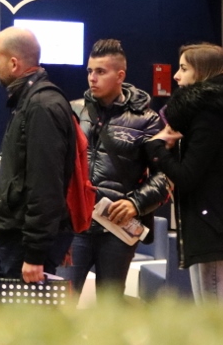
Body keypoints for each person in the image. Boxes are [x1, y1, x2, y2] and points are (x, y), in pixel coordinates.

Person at [0, 27, 77, 298]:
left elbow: (46, 185)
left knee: (17, 325)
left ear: (13, 63)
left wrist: (35, 253)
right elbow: (26, 168)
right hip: (15, 243)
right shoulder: (28, 101)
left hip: (25, 247)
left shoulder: (41, 106)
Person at [147, 43, 223, 305]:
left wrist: (157, 147)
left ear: (202, 72)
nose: (176, 76)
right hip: (209, 224)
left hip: (214, 228)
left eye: (184, 69)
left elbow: (186, 176)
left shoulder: (210, 116)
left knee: (215, 318)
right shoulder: (205, 114)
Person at [66, 39, 172, 301]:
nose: (92, 78)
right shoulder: (73, 110)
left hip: (117, 227)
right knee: (62, 304)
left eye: (101, 71)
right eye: (90, 71)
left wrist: (136, 203)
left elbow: (166, 174)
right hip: (74, 225)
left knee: (110, 307)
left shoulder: (147, 120)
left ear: (120, 75)